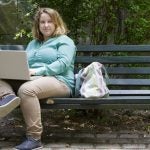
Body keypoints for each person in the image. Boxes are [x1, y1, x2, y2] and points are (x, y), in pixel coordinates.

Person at [0, 7, 76, 149]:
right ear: (38, 25)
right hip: (34, 80)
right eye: (42, 22)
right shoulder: (33, 43)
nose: (46, 25)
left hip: (59, 81)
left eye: (50, 22)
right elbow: (24, 64)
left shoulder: (65, 41)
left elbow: (63, 64)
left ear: (56, 23)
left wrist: (37, 71)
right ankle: (8, 97)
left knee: (26, 90)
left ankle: (34, 139)